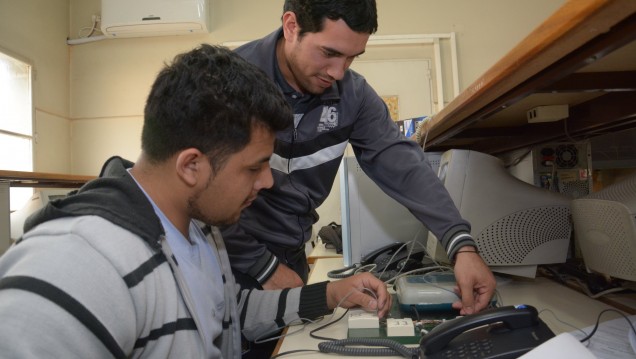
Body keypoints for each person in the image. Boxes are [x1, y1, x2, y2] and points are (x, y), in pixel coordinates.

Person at [0, 44, 391, 358]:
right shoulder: (74, 267)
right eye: (254, 167)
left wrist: (328, 295)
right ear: (191, 165)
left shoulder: (201, 230)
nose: (268, 181)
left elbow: (227, 313)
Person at [223, 0, 496, 315]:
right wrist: (263, 267)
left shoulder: (353, 96)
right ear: (291, 26)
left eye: (352, 57)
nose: (339, 72)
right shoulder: (230, 82)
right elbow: (201, 192)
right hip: (231, 257)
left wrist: (461, 245)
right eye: (330, 53)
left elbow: (403, 166)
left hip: (291, 256)